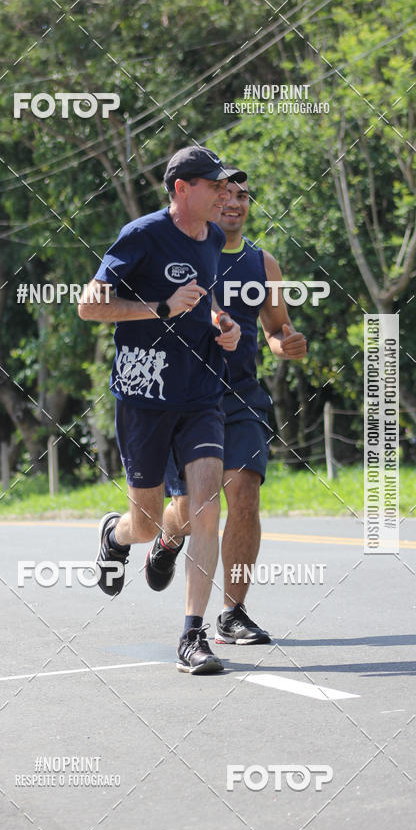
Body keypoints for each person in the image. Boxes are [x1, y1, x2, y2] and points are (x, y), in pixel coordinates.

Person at [79, 145, 245, 674]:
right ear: (181, 189)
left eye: (226, 186)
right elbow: (89, 305)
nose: (224, 193)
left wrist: (223, 322)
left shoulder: (214, 237)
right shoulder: (141, 236)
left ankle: (193, 636)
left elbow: (207, 298)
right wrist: (160, 308)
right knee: (147, 521)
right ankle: (117, 535)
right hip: (143, 392)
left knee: (206, 507)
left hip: (199, 393)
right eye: (214, 185)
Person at [154, 176, 308, 644]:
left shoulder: (263, 263)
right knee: (193, 508)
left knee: (244, 496)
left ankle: (233, 612)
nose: (235, 203)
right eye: (226, 194)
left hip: (241, 397)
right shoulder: (179, 255)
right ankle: (165, 537)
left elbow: (277, 328)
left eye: (243, 196)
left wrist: (287, 344)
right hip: (185, 397)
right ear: (208, 199)